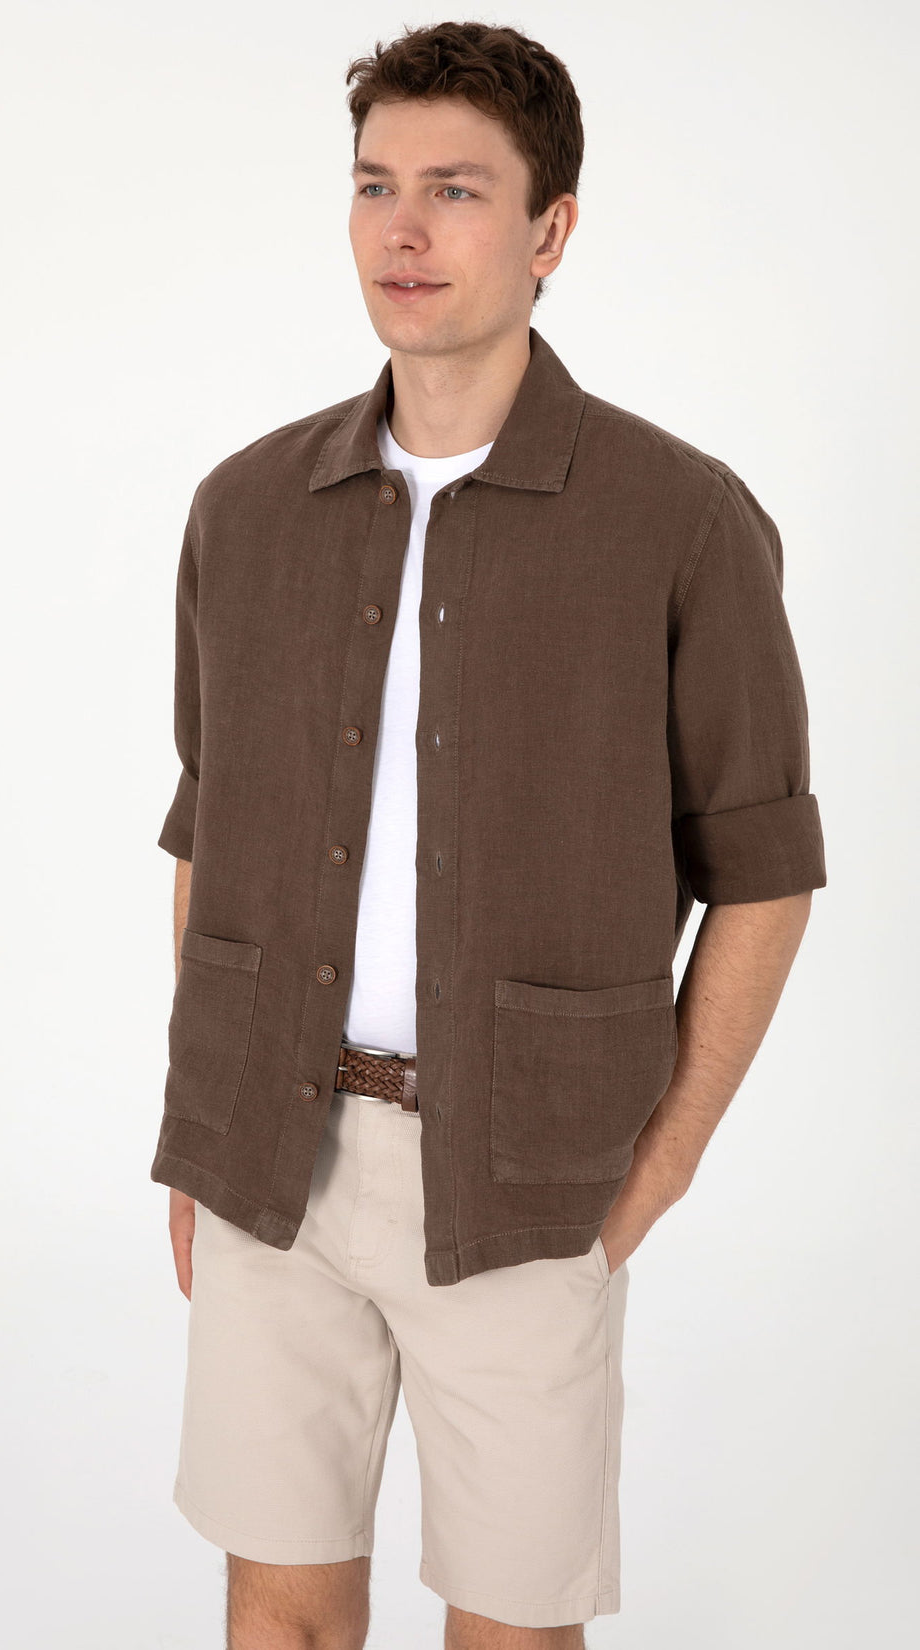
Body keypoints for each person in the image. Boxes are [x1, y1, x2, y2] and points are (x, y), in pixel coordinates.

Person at [151, 20, 827, 1649]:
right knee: (276, 1609)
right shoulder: (246, 506)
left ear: (550, 229)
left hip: (533, 1182)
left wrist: (654, 1169)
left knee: (515, 1625)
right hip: (271, 1168)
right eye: (375, 185)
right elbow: (203, 829)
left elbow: (765, 873)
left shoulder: (681, 519)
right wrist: (206, 1122)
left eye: (456, 190)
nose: (405, 229)